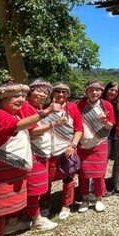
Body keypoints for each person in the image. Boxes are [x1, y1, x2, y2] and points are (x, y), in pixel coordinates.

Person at [0, 79, 61, 236]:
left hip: (8, 169)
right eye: (15, 96)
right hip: (1, 170)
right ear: (2, 98)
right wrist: (46, 112)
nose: (21, 99)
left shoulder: (11, 114)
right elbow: (16, 127)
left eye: (22, 96)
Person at [18, 79, 64, 232]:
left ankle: (29, 215)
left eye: (46, 93)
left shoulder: (35, 107)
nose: (42, 95)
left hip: (41, 152)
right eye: (39, 91)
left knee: (36, 186)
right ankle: (36, 218)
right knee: (33, 186)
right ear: (31, 91)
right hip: (32, 152)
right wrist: (53, 123)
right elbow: (31, 131)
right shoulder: (26, 107)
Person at [40, 83, 83, 221]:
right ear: (52, 93)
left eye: (64, 92)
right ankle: (45, 203)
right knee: (47, 178)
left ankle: (66, 204)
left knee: (68, 176)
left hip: (67, 148)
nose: (60, 94)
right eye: (57, 91)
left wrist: (73, 145)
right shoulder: (45, 108)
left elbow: (79, 129)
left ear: (67, 94)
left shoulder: (72, 107)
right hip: (47, 149)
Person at [77, 80, 115, 213]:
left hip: (100, 143)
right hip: (83, 145)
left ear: (101, 91)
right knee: (83, 174)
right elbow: (75, 123)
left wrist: (104, 122)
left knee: (99, 174)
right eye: (91, 90)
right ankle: (85, 200)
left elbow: (111, 125)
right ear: (86, 91)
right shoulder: (80, 104)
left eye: (98, 90)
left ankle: (98, 199)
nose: (94, 92)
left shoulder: (107, 105)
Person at [102, 81, 119, 163]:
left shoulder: (115, 103)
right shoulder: (99, 101)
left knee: (105, 157)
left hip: (109, 134)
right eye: (111, 90)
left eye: (116, 91)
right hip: (97, 134)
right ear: (106, 90)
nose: (113, 93)